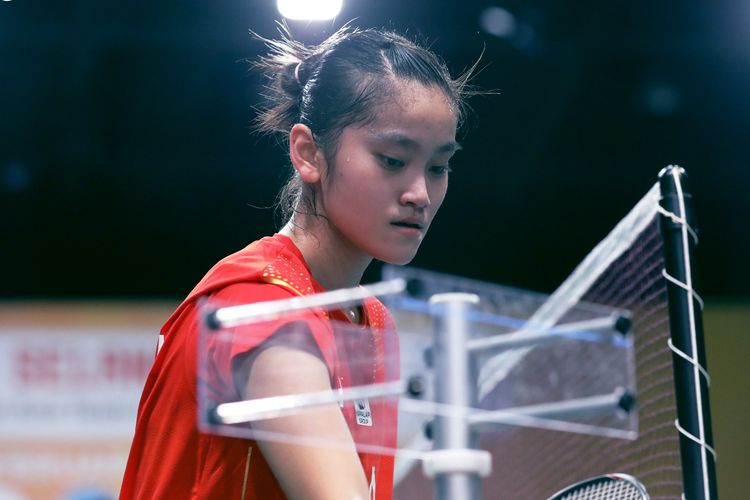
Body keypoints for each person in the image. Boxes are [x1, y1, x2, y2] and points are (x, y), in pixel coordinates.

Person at [120, 24, 475, 500]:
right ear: (308, 153)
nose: (420, 194)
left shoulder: (371, 321)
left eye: (438, 167)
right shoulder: (262, 308)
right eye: (393, 160)